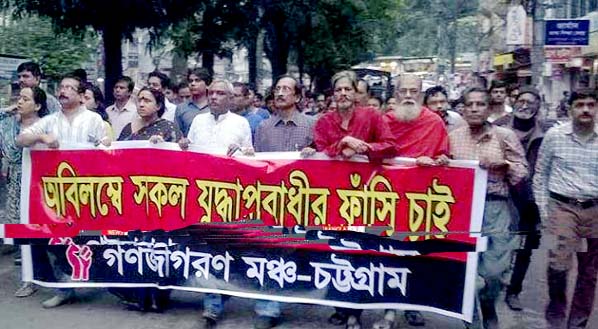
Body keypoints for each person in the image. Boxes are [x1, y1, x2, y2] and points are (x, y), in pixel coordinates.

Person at [310, 70, 397, 329]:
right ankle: (346, 309)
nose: (343, 94)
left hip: (368, 198)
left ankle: (361, 310)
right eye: (338, 90)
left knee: (365, 252)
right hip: (335, 198)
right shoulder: (324, 121)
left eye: (348, 89)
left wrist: (365, 147)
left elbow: (391, 146)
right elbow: (323, 147)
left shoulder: (371, 116)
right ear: (332, 95)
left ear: (356, 93)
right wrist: (343, 143)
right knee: (338, 251)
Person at [17, 74, 110, 309]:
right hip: (55, 194)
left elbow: (107, 149)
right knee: (56, 240)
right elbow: (20, 140)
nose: (64, 91)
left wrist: (106, 144)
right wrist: (40, 136)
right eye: (62, 87)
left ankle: (104, 283)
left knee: (89, 239)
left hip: (86, 191)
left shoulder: (94, 119)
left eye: (70, 88)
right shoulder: (49, 121)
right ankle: (64, 287)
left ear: (80, 96)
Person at [449, 87, 528, 329]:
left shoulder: (504, 136)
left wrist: (504, 165)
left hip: (495, 208)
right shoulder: (452, 136)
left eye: (480, 104)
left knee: (494, 271)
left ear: (488, 107)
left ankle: (488, 304)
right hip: (461, 211)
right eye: (469, 104)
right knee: (465, 269)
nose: (474, 109)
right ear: (462, 108)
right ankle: (470, 319)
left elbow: (523, 170)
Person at [375, 75, 449, 329]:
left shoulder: (434, 122)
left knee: (416, 256)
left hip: (420, 202)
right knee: (387, 255)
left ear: (421, 94)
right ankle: (387, 309)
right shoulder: (383, 122)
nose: (408, 96)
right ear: (394, 94)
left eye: (413, 91)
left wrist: (438, 159)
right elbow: (373, 154)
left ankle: (413, 305)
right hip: (386, 200)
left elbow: (444, 156)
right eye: (403, 91)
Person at [252, 76, 314, 328]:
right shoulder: (263, 127)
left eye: (286, 89)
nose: (280, 93)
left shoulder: (312, 125)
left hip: (305, 201)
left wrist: (316, 152)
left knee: (303, 252)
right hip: (272, 200)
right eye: (277, 89)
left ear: (298, 97)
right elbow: (257, 164)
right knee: (271, 251)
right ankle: (269, 306)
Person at [533, 89, 598, 329]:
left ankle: (577, 323)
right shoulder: (555, 136)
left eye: (591, 105)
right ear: (570, 109)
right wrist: (544, 211)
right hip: (562, 208)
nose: (585, 110)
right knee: (557, 264)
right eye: (580, 105)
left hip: (594, 210)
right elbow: (540, 174)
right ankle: (556, 315)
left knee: (589, 273)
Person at [491, 86, 544, 312]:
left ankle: (514, 291)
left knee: (525, 245)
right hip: (501, 194)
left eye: (530, 102)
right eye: (521, 100)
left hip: (529, 198)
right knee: (498, 242)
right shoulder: (498, 126)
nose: (525, 106)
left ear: (538, 107)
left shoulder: (546, 132)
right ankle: (493, 285)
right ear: (514, 102)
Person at [0, 86, 48, 297]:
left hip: (38, 185)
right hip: (14, 183)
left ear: (37, 105)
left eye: (25, 99)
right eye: (19, 97)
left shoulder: (45, 125)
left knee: (37, 232)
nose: (20, 101)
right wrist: (9, 109)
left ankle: (42, 276)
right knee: (20, 232)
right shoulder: (9, 124)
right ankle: (29, 277)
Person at [118, 88, 182, 143]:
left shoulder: (168, 128)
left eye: (147, 101)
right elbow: (117, 150)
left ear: (158, 106)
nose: (141, 105)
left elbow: (176, 153)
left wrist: (160, 145)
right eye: (139, 101)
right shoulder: (128, 127)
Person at [175, 68, 212, 136]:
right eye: (190, 81)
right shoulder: (181, 108)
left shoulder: (214, 106)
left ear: (207, 85)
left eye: (197, 80)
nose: (192, 84)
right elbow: (178, 134)